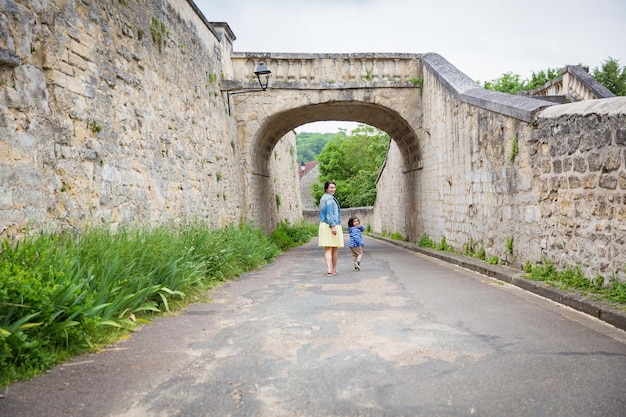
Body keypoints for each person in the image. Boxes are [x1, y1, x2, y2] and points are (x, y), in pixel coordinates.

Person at [318, 180, 343, 276]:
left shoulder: (323, 198)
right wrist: (333, 226)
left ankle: (329, 269)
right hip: (331, 225)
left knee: (328, 248)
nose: (333, 189)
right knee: (333, 248)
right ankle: (333, 269)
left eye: (334, 187)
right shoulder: (329, 199)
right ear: (326, 189)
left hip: (324, 225)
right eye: (331, 188)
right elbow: (329, 214)